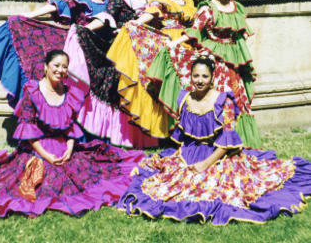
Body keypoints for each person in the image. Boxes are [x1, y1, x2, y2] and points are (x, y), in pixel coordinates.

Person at [119, 55, 311, 224]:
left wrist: (206, 163)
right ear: (190, 76)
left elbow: (227, 143)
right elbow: (184, 137)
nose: (200, 80)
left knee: (219, 187)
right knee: (171, 184)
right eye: (196, 76)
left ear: (212, 78)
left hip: (219, 155)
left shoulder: (223, 101)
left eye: (204, 76)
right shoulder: (184, 98)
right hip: (190, 153)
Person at [0, 50, 145, 218]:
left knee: (86, 174)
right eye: (56, 65)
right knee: (44, 182)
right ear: (46, 66)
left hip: (64, 148)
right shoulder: (32, 91)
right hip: (38, 150)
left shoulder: (70, 93)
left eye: (64, 67)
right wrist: (47, 156)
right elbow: (29, 131)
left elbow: (71, 128)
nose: (60, 70)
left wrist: (69, 150)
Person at [148, 0, 262, 148]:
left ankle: (236, 141)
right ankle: (211, 141)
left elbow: (242, 31)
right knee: (217, 98)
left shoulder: (236, 7)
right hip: (215, 59)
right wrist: (174, 44)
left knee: (238, 98)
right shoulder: (208, 9)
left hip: (234, 60)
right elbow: (194, 30)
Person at [0, 0, 109, 107]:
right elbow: (58, 6)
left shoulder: (108, 1)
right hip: (77, 45)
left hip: (98, 51)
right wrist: (30, 15)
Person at [75, 0, 157, 148]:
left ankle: (146, 134)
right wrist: (86, 29)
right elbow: (107, 17)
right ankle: (123, 136)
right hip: (123, 45)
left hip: (146, 47)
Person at [107, 0, 196, 138]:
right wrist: (136, 24)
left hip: (186, 41)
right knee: (169, 85)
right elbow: (151, 13)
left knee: (188, 85)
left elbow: (193, 23)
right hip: (167, 43)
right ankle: (169, 132)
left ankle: (188, 129)